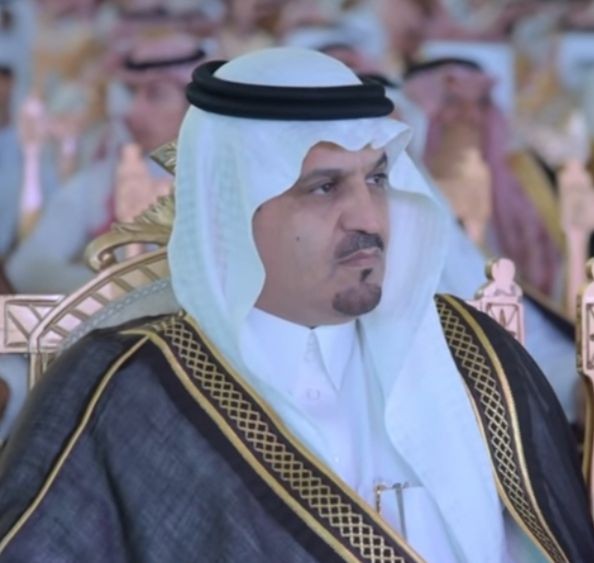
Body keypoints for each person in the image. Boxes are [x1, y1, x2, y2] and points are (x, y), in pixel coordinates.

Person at [0, 48, 592, 562]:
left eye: (377, 179)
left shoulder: (477, 359)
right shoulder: (130, 393)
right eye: (324, 187)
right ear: (231, 209)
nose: (368, 218)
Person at [5, 31, 205, 294]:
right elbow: (27, 268)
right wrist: (123, 292)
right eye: (131, 93)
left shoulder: (219, 185)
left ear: (194, 106)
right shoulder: (102, 183)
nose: (134, 111)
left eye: (155, 95)